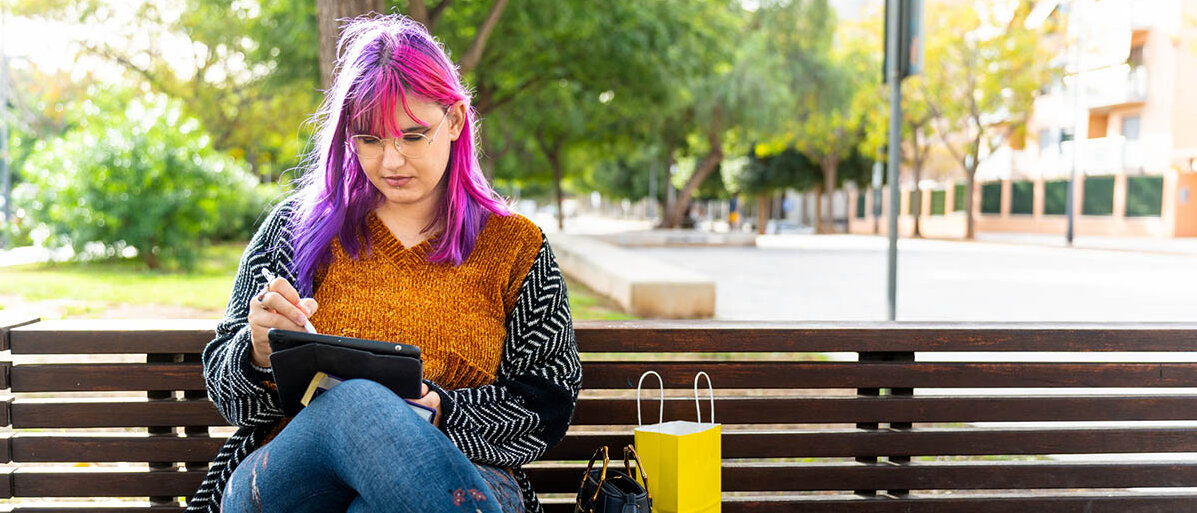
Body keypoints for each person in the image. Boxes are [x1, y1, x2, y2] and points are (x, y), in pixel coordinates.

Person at [185, 14, 581, 513]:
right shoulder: (294, 229)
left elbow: (547, 402)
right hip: (286, 481)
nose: (391, 161)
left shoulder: (513, 246)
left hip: (459, 471)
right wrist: (257, 351)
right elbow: (227, 393)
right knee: (358, 401)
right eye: (369, 139)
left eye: (413, 136)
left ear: (455, 120)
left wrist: (442, 412)